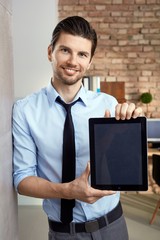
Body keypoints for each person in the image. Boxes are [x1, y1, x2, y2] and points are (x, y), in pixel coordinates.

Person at [12, 16, 143, 240]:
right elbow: (22, 180)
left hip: (112, 226)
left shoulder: (108, 105)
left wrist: (133, 127)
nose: (73, 61)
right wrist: (67, 191)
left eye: (82, 54)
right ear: (50, 52)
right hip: (64, 233)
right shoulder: (25, 111)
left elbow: (122, 164)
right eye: (65, 50)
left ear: (90, 61)